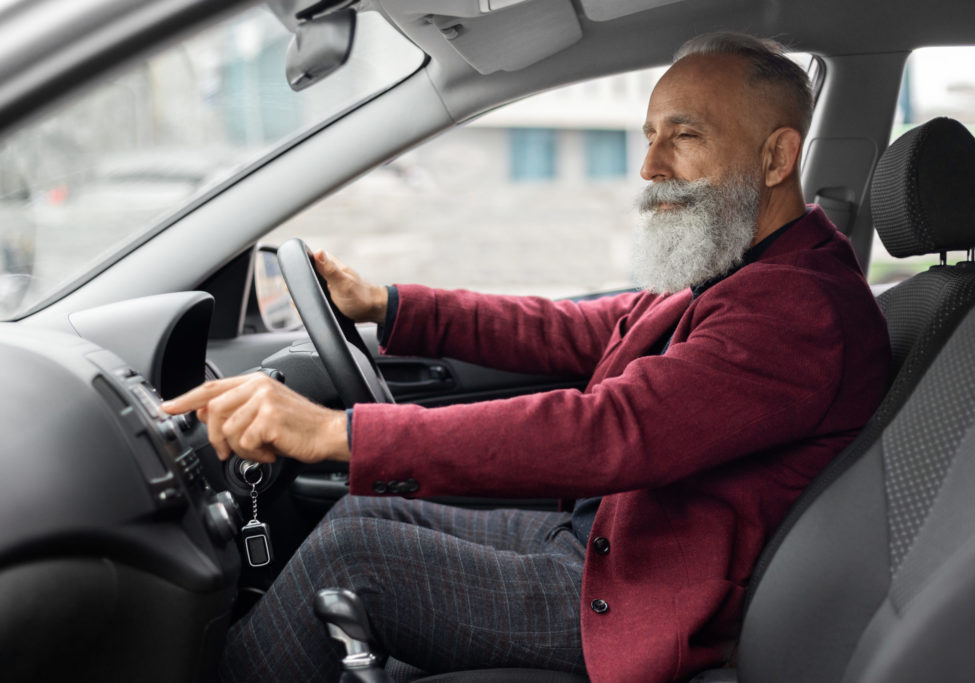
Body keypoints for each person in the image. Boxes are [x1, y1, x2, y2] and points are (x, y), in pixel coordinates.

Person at [164, 32, 890, 683]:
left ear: (776, 156)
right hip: (608, 539)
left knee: (356, 560)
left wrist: (335, 432)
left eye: (685, 135)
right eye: (649, 135)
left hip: (637, 596)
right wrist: (389, 303)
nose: (649, 165)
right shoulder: (739, 267)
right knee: (360, 512)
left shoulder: (802, 310)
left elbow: (610, 429)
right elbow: (573, 331)